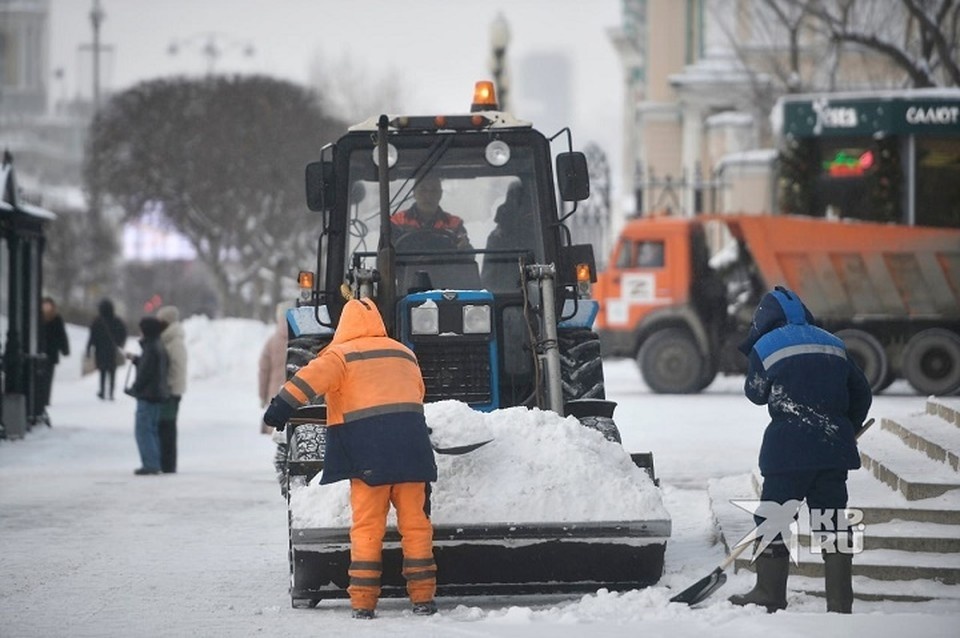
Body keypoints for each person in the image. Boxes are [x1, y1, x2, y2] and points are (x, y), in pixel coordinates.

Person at [262, 298, 438, 619]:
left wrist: (276, 413)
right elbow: (417, 394)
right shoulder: (404, 353)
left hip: (369, 457)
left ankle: (363, 602)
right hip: (414, 454)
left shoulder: (340, 356)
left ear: (344, 325)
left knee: (367, 528)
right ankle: (423, 598)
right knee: (416, 527)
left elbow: (302, 384)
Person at [730, 286, 872, 614]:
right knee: (832, 519)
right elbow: (862, 393)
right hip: (833, 449)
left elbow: (756, 393)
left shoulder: (765, 346)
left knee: (774, 517)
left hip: (787, 452)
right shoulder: (834, 342)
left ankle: (769, 592)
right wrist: (847, 427)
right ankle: (840, 602)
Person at [126, 316, 170, 476]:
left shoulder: (151, 348)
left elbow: (145, 374)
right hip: (157, 396)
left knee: (143, 431)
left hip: (147, 396)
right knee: (152, 430)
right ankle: (154, 462)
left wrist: (134, 389)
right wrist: (137, 360)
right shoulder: (158, 346)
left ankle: (150, 464)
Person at [391, 174, 472, 250]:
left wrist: (465, 248)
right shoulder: (396, 223)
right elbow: (385, 259)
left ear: (440, 194)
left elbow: (467, 257)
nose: (428, 196)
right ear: (414, 193)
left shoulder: (455, 225)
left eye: (434, 190)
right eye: (423, 190)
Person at [481, 181, 534, 290]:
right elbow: (488, 276)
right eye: (513, 195)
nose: (516, 200)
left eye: (520, 196)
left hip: (534, 287)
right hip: (504, 291)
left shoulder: (538, 227)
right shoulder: (496, 238)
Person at [157, 306, 187, 474]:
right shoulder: (169, 339)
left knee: (168, 428)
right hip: (170, 390)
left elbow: (177, 367)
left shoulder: (174, 342)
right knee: (166, 428)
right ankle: (166, 463)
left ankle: (168, 464)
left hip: (171, 391)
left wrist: (168, 385)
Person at [37, 296, 70, 425]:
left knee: (48, 377)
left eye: (48, 305)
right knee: (40, 376)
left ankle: (46, 398)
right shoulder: (38, 318)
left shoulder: (57, 319)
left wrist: (64, 349)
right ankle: (41, 397)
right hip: (40, 351)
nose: (47, 307)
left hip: (51, 353)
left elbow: (62, 335)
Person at [86, 298, 127, 401]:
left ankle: (102, 392)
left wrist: (89, 349)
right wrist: (120, 344)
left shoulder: (97, 321)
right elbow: (123, 333)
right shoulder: (117, 321)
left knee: (102, 372)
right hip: (112, 351)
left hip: (100, 351)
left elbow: (92, 337)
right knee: (112, 372)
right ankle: (111, 393)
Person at [259, 302, 291, 434]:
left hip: (275, 395)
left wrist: (262, 396)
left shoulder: (272, 341)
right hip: (294, 396)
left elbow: (263, 371)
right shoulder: (304, 338)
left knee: (276, 435)